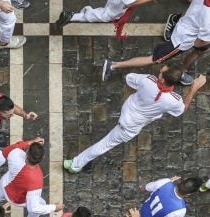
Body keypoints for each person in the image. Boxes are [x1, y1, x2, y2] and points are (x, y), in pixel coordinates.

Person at [63, 66, 206, 173]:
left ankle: (75, 164)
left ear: (162, 79)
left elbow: (129, 78)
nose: (162, 68)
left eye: (163, 71)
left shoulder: (148, 80)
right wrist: (193, 89)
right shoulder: (174, 100)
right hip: (132, 126)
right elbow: (182, 108)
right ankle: (76, 164)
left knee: (103, 145)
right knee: (107, 142)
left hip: (126, 121)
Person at [106, 0, 210, 86]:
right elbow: (199, 43)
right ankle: (114, 65)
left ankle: (182, 71)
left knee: (198, 52)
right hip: (181, 41)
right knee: (154, 59)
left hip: (186, 23)